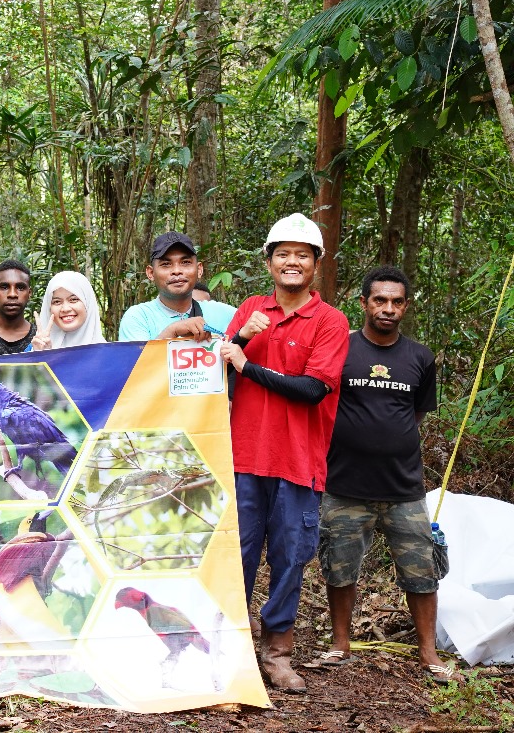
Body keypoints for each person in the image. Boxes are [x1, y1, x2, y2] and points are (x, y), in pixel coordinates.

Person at [218, 212, 351, 693]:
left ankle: (278, 653)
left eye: (302, 254)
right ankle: (230, 650)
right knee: (238, 557)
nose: (291, 262)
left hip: (298, 462)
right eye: (283, 254)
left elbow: (314, 389)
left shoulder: (331, 321)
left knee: (291, 559)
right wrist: (241, 338)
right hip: (242, 459)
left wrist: (249, 364)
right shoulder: (250, 307)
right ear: (270, 261)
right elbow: (218, 371)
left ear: (316, 263)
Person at [318, 266, 460, 683]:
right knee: (339, 567)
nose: (388, 308)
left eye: (396, 302)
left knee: (422, 571)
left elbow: (414, 415)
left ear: (406, 307)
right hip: (344, 485)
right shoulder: (340, 349)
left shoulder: (420, 357)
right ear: (363, 303)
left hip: (405, 488)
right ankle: (339, 644)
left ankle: (429, 653)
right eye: (380, 300)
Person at [118, 232, 236, 341]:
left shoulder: (225, 314)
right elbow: (135, 363)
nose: (177, 271)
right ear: (151, 273)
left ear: (199, 269)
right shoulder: (138, 317)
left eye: (185, 262)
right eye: (166, 264)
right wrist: (172, 331)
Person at [0, 259, 38, 355]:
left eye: (20, 287)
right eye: (4, 287)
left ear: (29, 293)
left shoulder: (40, 338)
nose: (12, 294)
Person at [31, 271, 105, 350]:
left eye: (73, 299)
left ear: (88, 304)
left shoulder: (109, 355)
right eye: (57, 302)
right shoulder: (35, 349)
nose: (65, 309)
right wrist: (41, 355)